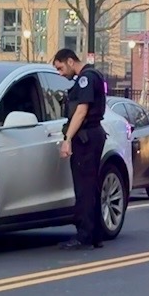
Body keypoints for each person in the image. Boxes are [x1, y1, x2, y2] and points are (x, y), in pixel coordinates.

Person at [52, 48, 108, 251]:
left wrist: (67, 139)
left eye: (60, 68)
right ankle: (95, 234)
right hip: (93, 135)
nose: (60, 73)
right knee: (91, 185)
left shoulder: (86, 78)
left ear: (69, 61)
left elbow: (81, 110)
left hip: (86, 138)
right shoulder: (93, 75)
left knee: (83, 186)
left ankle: (84, 234)